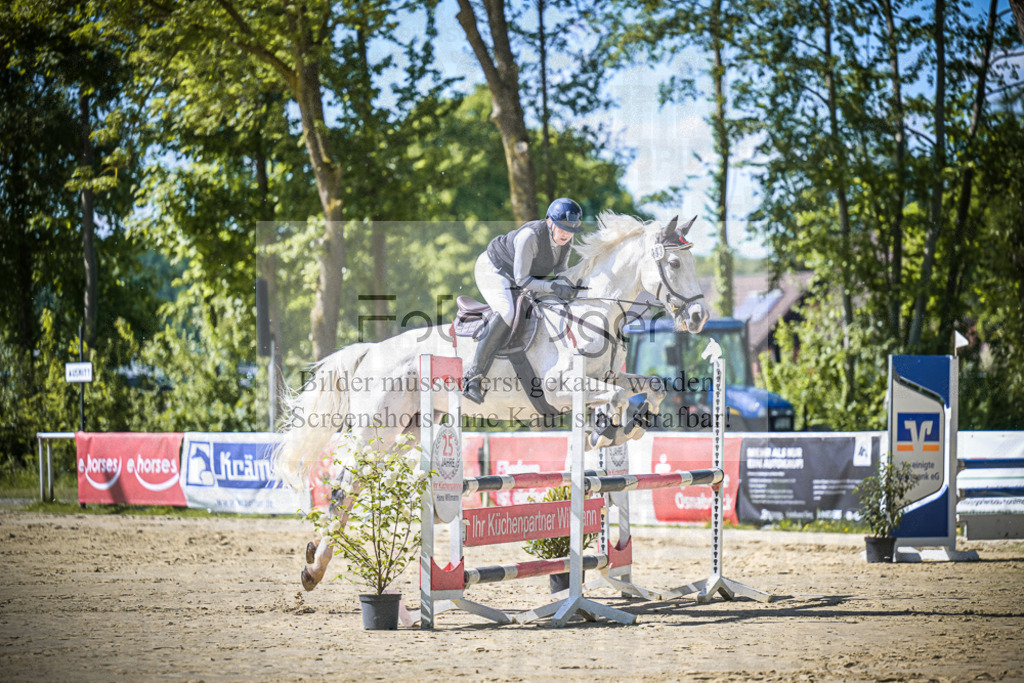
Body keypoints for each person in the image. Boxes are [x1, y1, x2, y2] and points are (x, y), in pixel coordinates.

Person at [463, 197, 584, 404]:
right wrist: (553, 287)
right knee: (507, 312)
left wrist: (571, 288)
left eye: (571, 229)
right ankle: (473, 377)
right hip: (494, 269)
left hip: (518, 277)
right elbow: (522, 280)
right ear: (549, 222)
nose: (566, 233)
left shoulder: (566, 240)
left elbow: (560, 270)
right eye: (562, 228)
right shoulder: (530, 236)